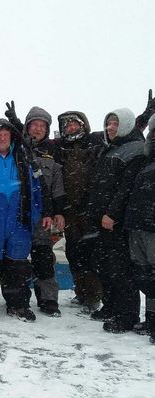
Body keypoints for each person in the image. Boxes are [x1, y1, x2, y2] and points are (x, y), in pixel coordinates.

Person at [0, 119, 51, 322]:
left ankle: (18, 305)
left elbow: (41, 186)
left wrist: (47, 211)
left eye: (6, 133)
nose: (2, 137)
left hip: (19, 218)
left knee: (17, 265)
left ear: (12, 136)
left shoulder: (25, 157)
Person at [86, 108, 145, 333]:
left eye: (115, 124)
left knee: (120, 269)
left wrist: (113, 214)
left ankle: (126, 315)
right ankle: (110, 306)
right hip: (100, 220)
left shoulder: (135, 150)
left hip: (115, 222)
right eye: (108, 123)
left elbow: (126, 188)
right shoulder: (111, 149)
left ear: (127, 125)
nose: (110, 128)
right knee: (103, 265)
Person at [9, 106, 66, 317]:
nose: (38, 129)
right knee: (18, 261)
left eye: (43, 126)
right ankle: (19, 299)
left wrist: (59, 212)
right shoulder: (16, 147)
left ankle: (48, 300)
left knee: (44, 259)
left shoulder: (53, 151)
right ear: (27, 127)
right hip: (17, 215)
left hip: (43, 215)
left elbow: (57, 186)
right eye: (34, 125)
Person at [53, 111, 105, 313]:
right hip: (70, 212)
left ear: (83, 125)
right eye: (67, 126)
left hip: (90, 211)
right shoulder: (60, 147)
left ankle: (93, 296)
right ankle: (81, 292)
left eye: (75, 124)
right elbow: (32, 139)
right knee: (74, 253)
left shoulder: (95, 141)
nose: (71, 128)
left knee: (92, 254)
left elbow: (123, 130)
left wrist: (145, 117)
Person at [124, 113, 155, 344]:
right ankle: (151, 318)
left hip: (152, 228)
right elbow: (131, 134)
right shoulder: (145, 160)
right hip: (138, 226)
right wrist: (142, 120)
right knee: (145, 275)